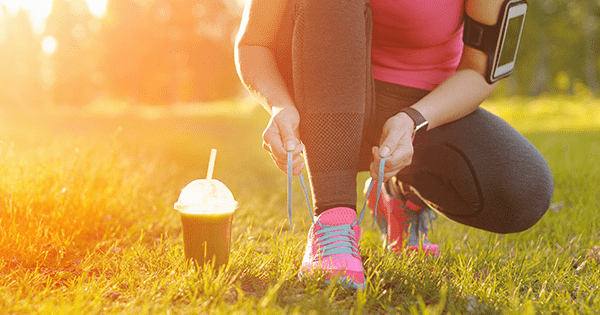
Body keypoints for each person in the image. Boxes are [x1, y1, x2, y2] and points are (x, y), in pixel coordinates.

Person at [234, 0, 554, 290]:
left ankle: (399, 191)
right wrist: (280, 105)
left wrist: (414, 120)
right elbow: (253, 44)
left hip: (419, 107)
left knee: (523, 190)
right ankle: (333, 225)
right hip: (323, 105)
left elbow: (480, 71)